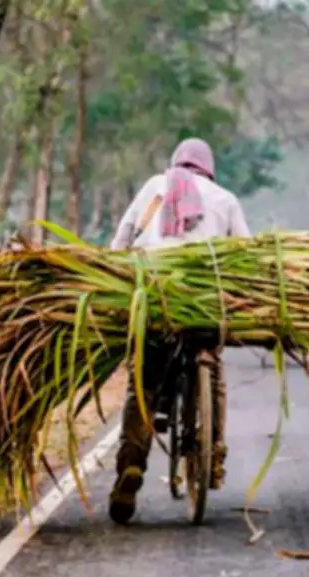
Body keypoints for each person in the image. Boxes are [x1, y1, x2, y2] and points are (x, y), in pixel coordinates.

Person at [107, 138, 252, 525]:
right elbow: (246, 255)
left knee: (144, 384)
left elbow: (120, 243)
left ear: (177, 163)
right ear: (208, 168)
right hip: (205, 307)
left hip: (155, 304)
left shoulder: (154, 187)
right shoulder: (225, 198)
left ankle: (130, 467)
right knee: (213, 367)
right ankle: (214, 450)